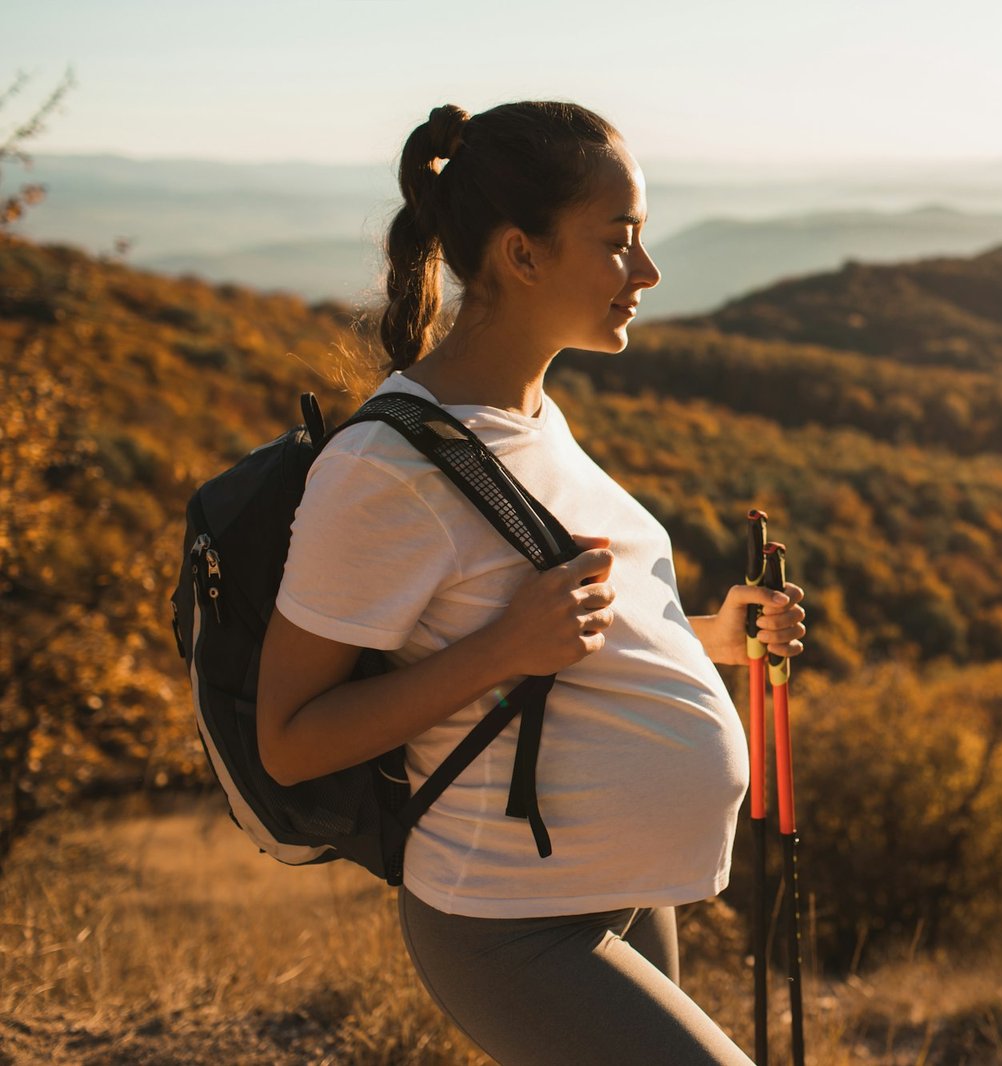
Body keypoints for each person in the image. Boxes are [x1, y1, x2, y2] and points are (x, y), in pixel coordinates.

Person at [256, 101, 805, 1066]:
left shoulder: (531, 415)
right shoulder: (384, 468)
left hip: (617, 893)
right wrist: (502, 651)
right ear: (521, 253)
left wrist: (714, 637)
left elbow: (562, 623)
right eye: (619, 241)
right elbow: (290, 741)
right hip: (510, 917)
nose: (647, 270)